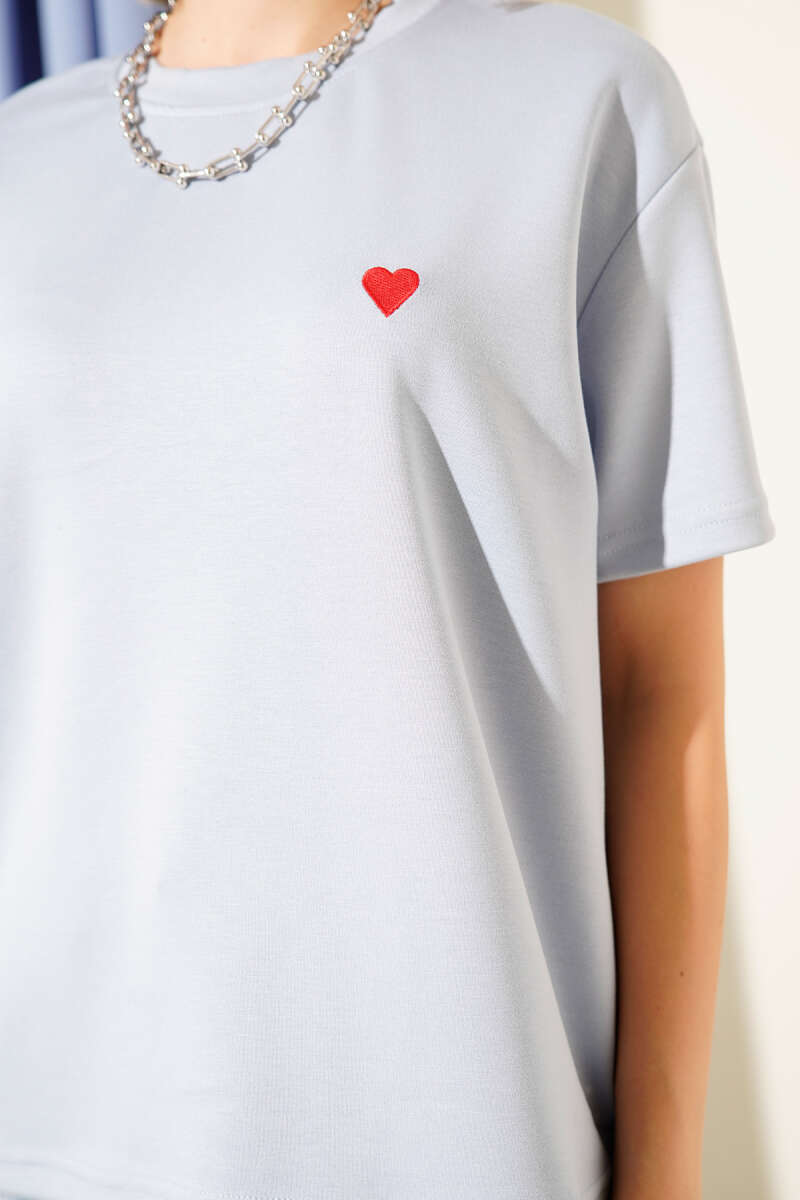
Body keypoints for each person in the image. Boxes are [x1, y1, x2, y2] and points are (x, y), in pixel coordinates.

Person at [0, 1, 776, 1198]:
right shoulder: (23, 161)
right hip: (58, 1132)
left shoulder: (578, 101)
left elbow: (659, 696)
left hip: (456, 1136)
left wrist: (662, 1177)